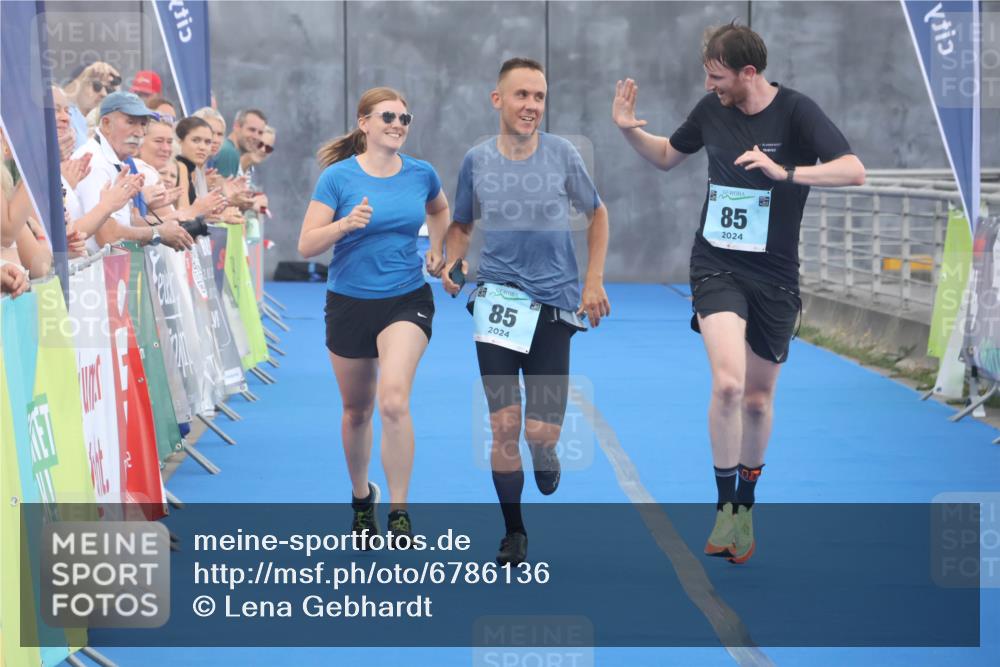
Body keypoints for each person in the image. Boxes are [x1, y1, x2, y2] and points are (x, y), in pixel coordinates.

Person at [613, 22, 865, 564]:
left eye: (717, 76)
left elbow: (853, 170)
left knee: (756, 398)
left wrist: (786, 171)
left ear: (748, 73)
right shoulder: (711, 114)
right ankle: (724, 504)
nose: (710, 86)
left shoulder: (797, 112)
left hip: (775, 276)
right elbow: (665, 155)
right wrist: (629, 129)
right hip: (716, 265)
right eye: (708, 75)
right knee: (727, 384)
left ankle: (746, 506)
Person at [442, 58, 611, 566]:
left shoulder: (563, 155)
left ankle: (545, 448)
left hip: (555, 304)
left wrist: (593, 280)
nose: (531, 106)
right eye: (522, 95)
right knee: (502, 425)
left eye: (539, 96)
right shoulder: (476, 160)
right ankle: (514, 531)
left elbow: (598, 213)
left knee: (540, 431)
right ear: (498, 100)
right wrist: (452, 262)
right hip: (496, 300)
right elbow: (462, 225)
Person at [298, 87, 450, 546]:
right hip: (348, 302)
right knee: (356, 411)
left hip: (406, 298)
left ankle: (400, 511)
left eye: (406, 117)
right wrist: (344, 224)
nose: (398, 124)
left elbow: (440, 210)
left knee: (394, 400)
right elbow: (306, 245)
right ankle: (363, 498)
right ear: (364, 122)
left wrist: (438, 250)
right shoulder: (337, 179)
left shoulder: (422, 174)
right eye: (388, 116)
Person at [72, 91, 193, 252]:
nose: (139, 132)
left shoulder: (118, 160)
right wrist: (157, 233)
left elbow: (128, 221)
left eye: (143, 124)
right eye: (130, 122)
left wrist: (168, 224)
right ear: (106, 124)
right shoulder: (94, 161)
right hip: (89, 272)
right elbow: (107, 236)